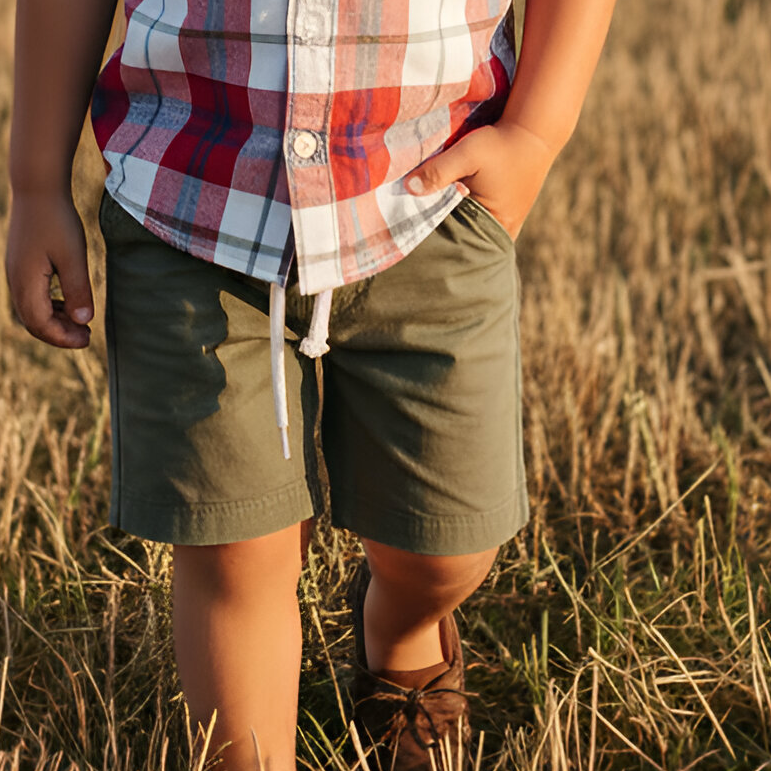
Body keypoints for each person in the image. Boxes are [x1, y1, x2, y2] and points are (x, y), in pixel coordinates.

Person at [5, 0, 616, 768]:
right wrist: (35, 182)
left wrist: (532, 133)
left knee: (443, 549)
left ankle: (399, 628)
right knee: (233, 547)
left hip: (428, 195)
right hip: (190, 199)